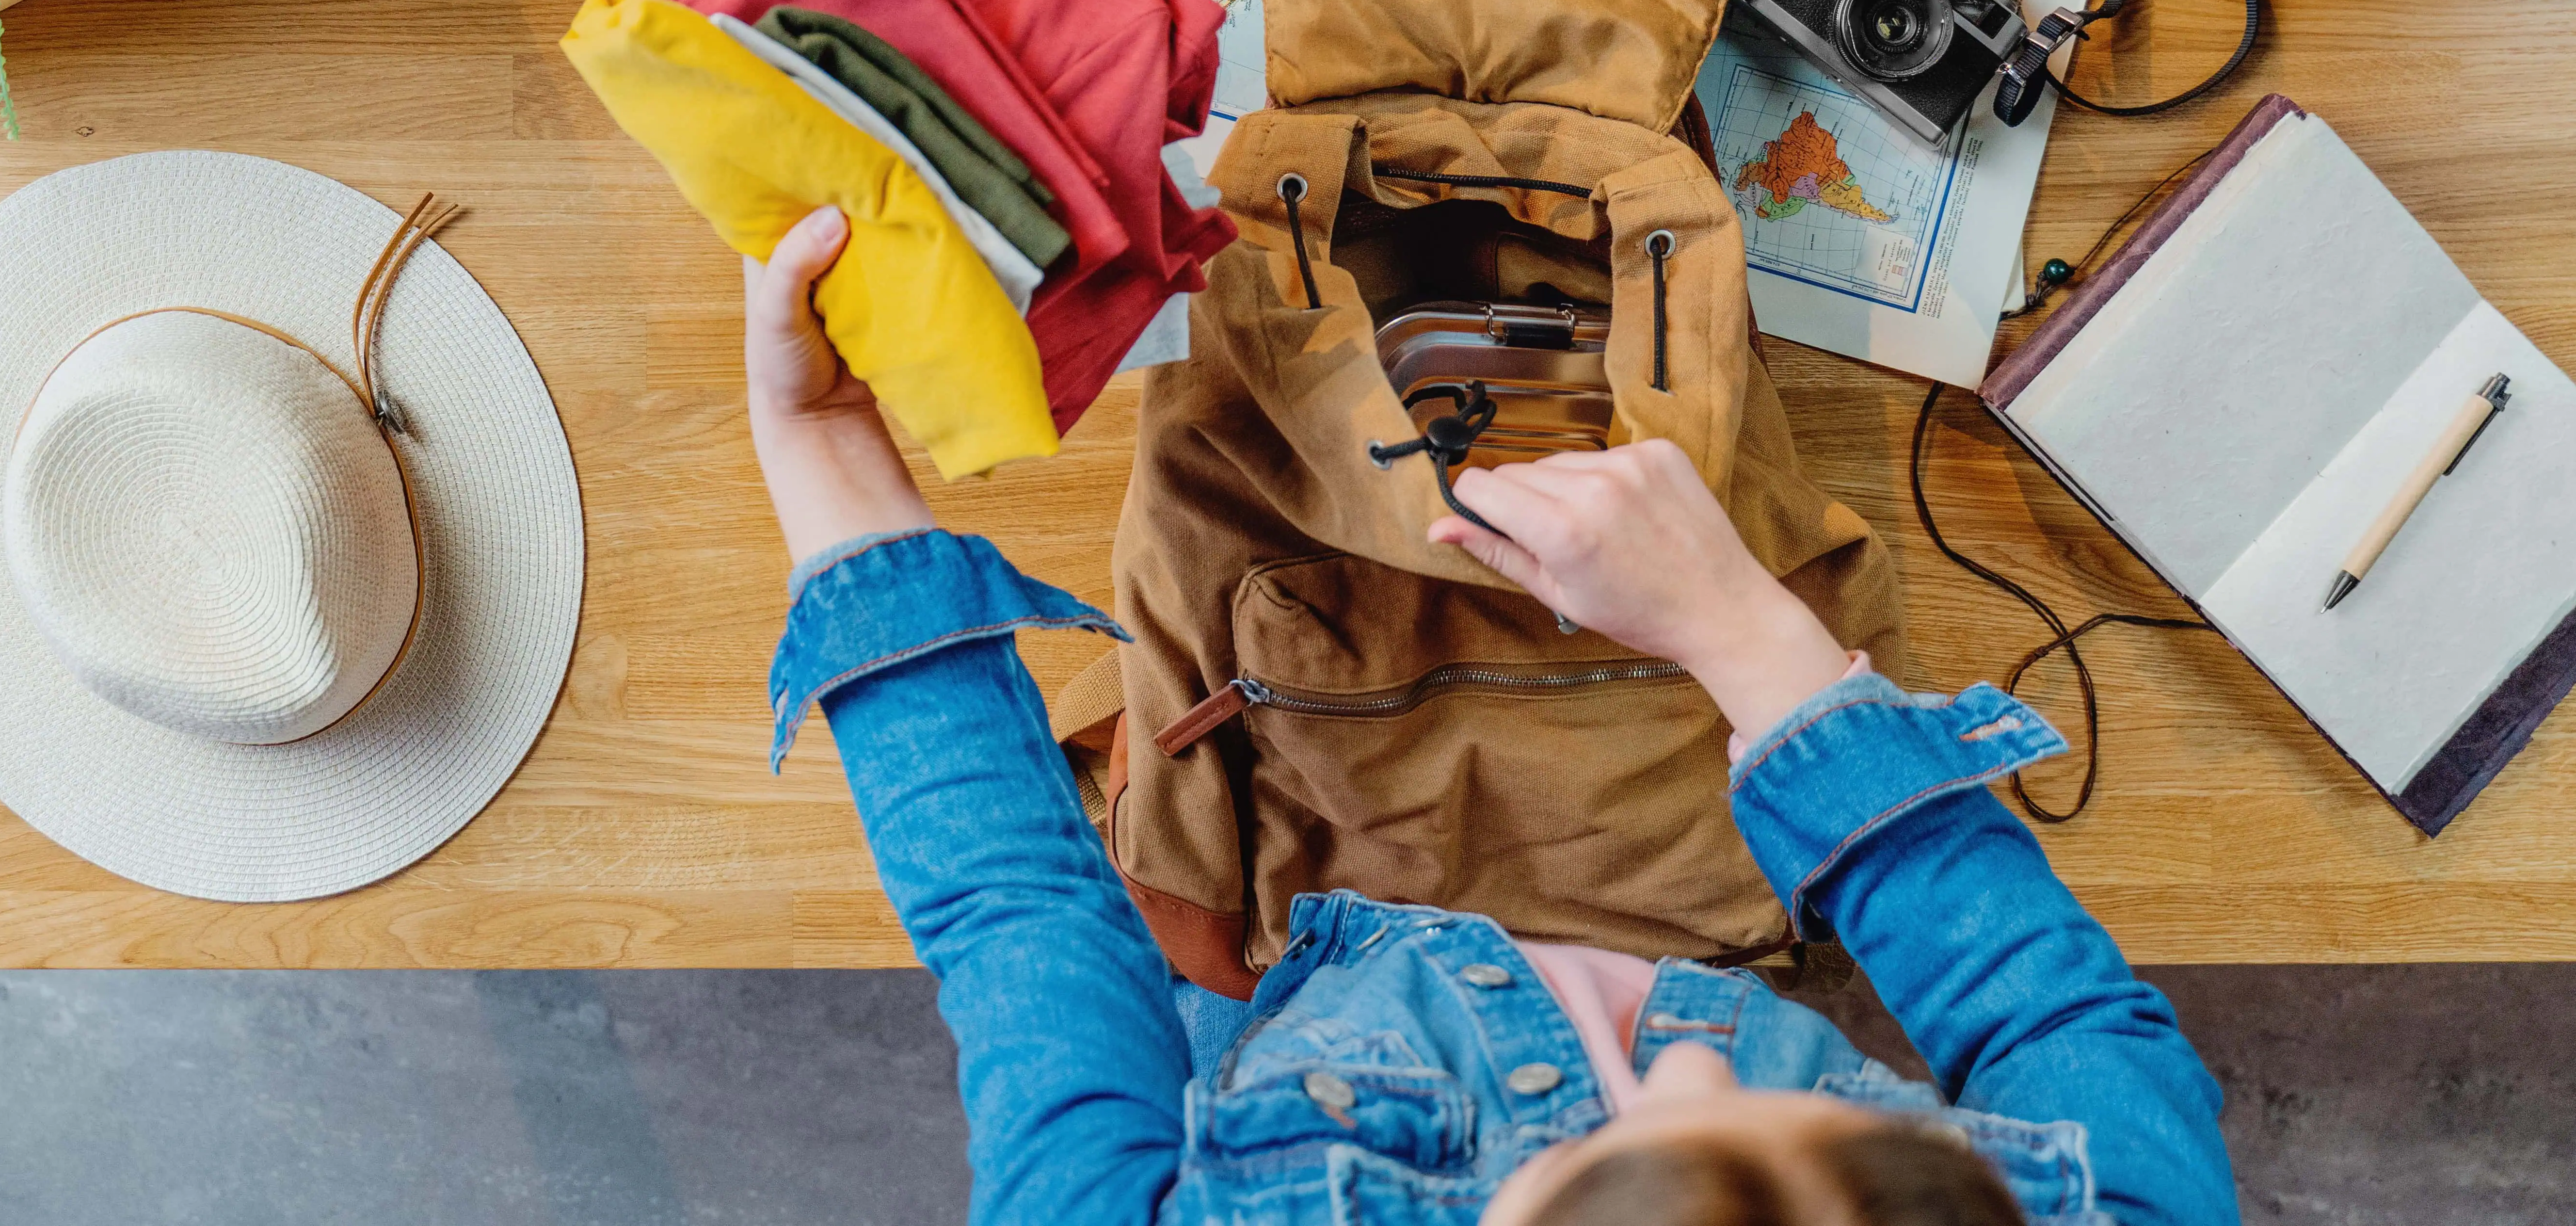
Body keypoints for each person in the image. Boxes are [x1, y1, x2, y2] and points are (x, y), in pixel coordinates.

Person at [747, 206, 2236, 1225]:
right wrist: (1736, 624)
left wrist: (817, 449)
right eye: (1863, 1133)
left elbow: (1018, 923)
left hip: (1300, 975)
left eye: (1619, 1157)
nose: (1694, 1058)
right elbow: (2053, 1017)